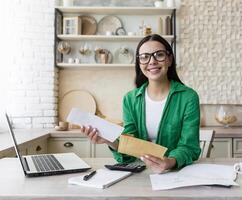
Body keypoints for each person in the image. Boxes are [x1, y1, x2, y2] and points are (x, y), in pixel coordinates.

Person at [81, 34, 201, 173]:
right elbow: (130, 146)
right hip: (141, 173)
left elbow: (189, 147)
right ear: (139, 63)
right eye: (145, 57)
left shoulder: (188, 97)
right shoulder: (130, 99)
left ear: (169, 59)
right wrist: (110, 140)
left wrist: (169, 162)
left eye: (159, 55)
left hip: (176, 172)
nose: (152, 61)